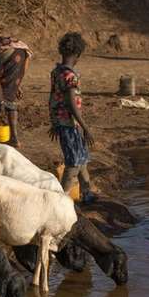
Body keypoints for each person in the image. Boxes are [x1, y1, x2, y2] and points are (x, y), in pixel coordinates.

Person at [48, 32, 97, 205]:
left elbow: (53, 98)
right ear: (78, 55)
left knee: (82, 158)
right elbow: (71, 103)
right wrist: (85, 127)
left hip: (63, 122)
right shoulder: (70, 76)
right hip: (71, 124)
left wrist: (54, 121)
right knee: (74, 163)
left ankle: (87, 193)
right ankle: (61, 200)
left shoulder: (56, 72)